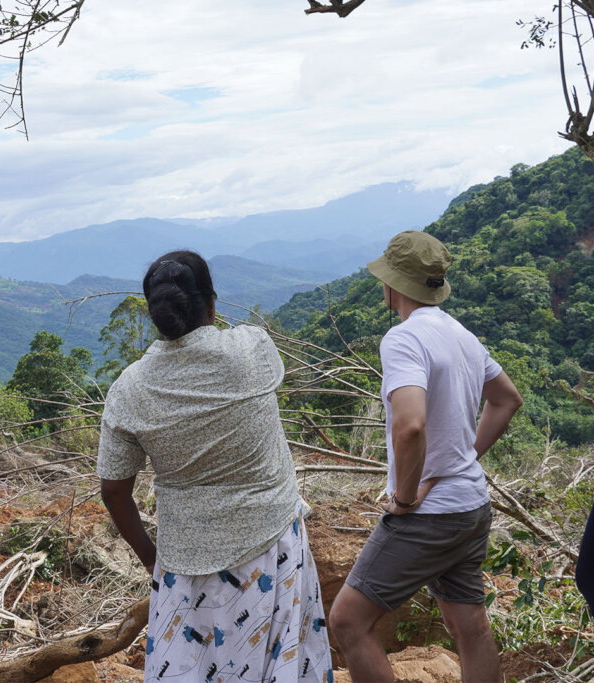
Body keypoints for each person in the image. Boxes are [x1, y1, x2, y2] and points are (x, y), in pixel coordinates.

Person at [97, 250, 333, 683]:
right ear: (211, 303)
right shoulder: (252, 348)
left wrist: (152, 558)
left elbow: (114, 492)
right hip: (273, 547)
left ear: (156, 315)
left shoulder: (128, 390)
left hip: (185, 562)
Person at [329, 230, 523, 682]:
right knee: (469, 627)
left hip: (429, 514)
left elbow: (410, 424)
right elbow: (507, 399)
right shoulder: (462, 334)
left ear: (392, 284)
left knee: (348, 621)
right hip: (471, 506)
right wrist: (463, 457)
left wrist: (404, 495)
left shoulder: (403, 339)